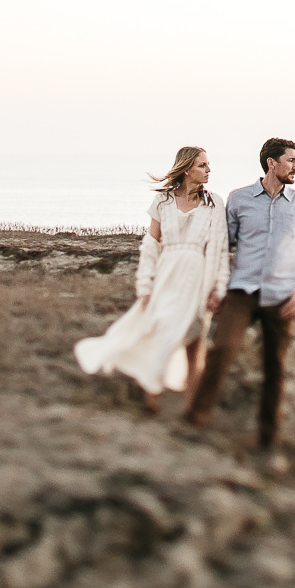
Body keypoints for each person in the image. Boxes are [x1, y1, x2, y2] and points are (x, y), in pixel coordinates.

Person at [184, 137, 295, 453]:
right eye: (291, 160)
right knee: (221, 350)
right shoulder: (239, 199)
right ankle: (194, 422)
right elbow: (221, 245)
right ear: (272, 163)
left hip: (282, 297)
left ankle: (267, 441)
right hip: (241, 292)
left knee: (275, 368)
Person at [74, 147, 229, 409]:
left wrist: (219, 288)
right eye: (202, 165)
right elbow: (150, 246)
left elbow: (220, 248)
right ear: (187, 169)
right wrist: (145, 285)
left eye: (208, 164)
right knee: (162, 335)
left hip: (198, 279)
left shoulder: (214, 202)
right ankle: (151, 401)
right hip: (166, 276)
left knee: (194, 344)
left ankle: (192, 410)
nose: (208, 170)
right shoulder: (163, 201)